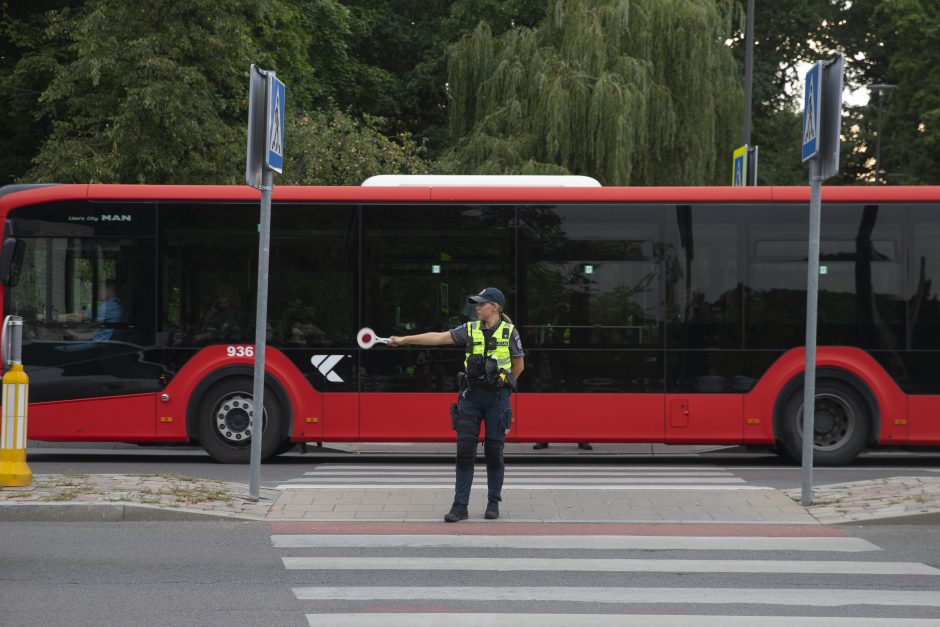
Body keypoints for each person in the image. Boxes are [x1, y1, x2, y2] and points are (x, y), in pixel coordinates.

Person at [388, 287, 524, 522]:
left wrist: (503, 384)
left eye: (481, 304)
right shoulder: (470, 329)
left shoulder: (510, 332)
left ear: (495, 307)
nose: (477, 307)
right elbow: (437, 337)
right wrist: (403, 340)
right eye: (476, 304)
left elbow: (518, 366)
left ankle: (493, 502)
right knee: (464, 452)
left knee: (494, 451)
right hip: (470, 396)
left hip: (497, 398)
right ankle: (460, 506)